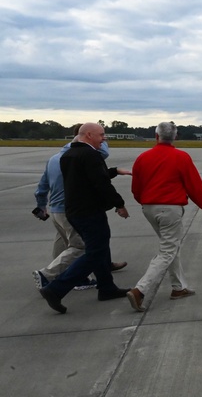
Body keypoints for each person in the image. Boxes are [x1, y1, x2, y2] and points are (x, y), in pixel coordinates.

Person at [37, 123, 132, 314]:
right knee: (94, 252)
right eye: (102, 135)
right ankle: (55, 289)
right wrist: (119, 204)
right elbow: (101, 183)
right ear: (89, 135)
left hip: (74, 211)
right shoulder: (91, 155)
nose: (104, 138)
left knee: (100, 248)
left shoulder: (69, 155)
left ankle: (106, 288)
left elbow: (85, 178)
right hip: (89, 212)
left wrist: (113, 171)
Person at [127, 121, 202, 312]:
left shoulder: (143, 157)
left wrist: (144, 201)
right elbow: (194, 186)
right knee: (168, 250)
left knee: (171, 245)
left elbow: (136, 187)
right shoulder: (181, 157)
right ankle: (140, 290)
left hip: (149, 207)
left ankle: (178, 287)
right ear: (175, 137)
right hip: (170, 209)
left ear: (156, 136)